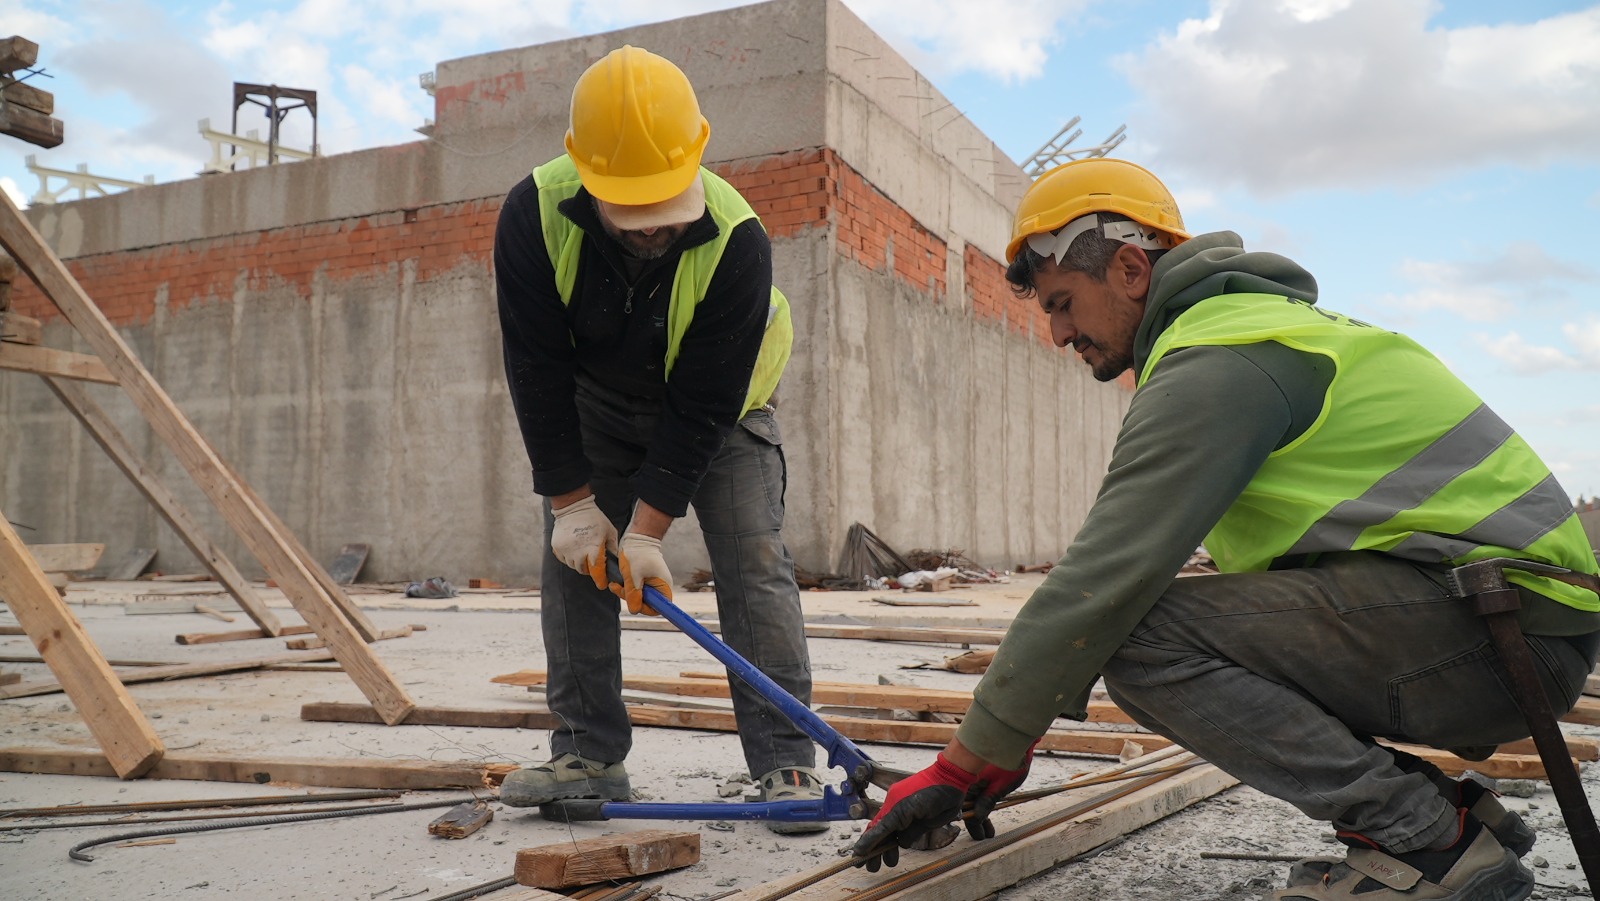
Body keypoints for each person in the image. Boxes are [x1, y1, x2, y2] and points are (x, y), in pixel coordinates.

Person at [852, 157, 1600, 899]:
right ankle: (1441, 812)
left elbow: (1100, 583)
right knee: (1188, 619)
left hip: (1504, 634)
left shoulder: (1219, 362)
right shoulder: (1256, 331)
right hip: (1503, 621)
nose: (1056, 332)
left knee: (1142, 638)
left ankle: (1426, 839)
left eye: (1063, 302)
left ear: (1129, 270)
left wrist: (968, 760)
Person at [493, 44, 826, 835]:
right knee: (574, 559)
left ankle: (785, 757)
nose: (650, 234)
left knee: (753, 560)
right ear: (582, 166)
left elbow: (701, 407)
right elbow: (534, 366)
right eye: (629, 213)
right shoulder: (534, 213)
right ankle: (587, 753)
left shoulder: (738, 239)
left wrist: (648, 530)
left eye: (662, 212)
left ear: (699, 151)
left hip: (728, 409)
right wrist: (575, 505)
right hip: (597, 402)